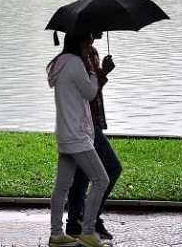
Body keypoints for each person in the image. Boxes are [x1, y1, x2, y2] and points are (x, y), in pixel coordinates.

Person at [46, 33, 109, 247]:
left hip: (65, 133)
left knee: (61, 186)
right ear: (78, 42)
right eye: (88, 41)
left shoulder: (60, 63)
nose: (90, 45)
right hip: (77, 135)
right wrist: (93, 72)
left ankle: (56, 235)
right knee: (101, 180)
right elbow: (90, 93)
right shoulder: (75, 63)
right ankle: (88, 232)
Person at [65, 31, 122, 241]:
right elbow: (84, 93)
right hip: (82, 123)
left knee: (82, 174)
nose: (101, 30)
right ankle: (91, 217)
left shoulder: (93, 53)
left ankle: (75, 223)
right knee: (112, 168)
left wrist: (103, 73)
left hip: (94, 120)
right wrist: (103, 72)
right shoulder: (74, 60)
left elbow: (95, 90)